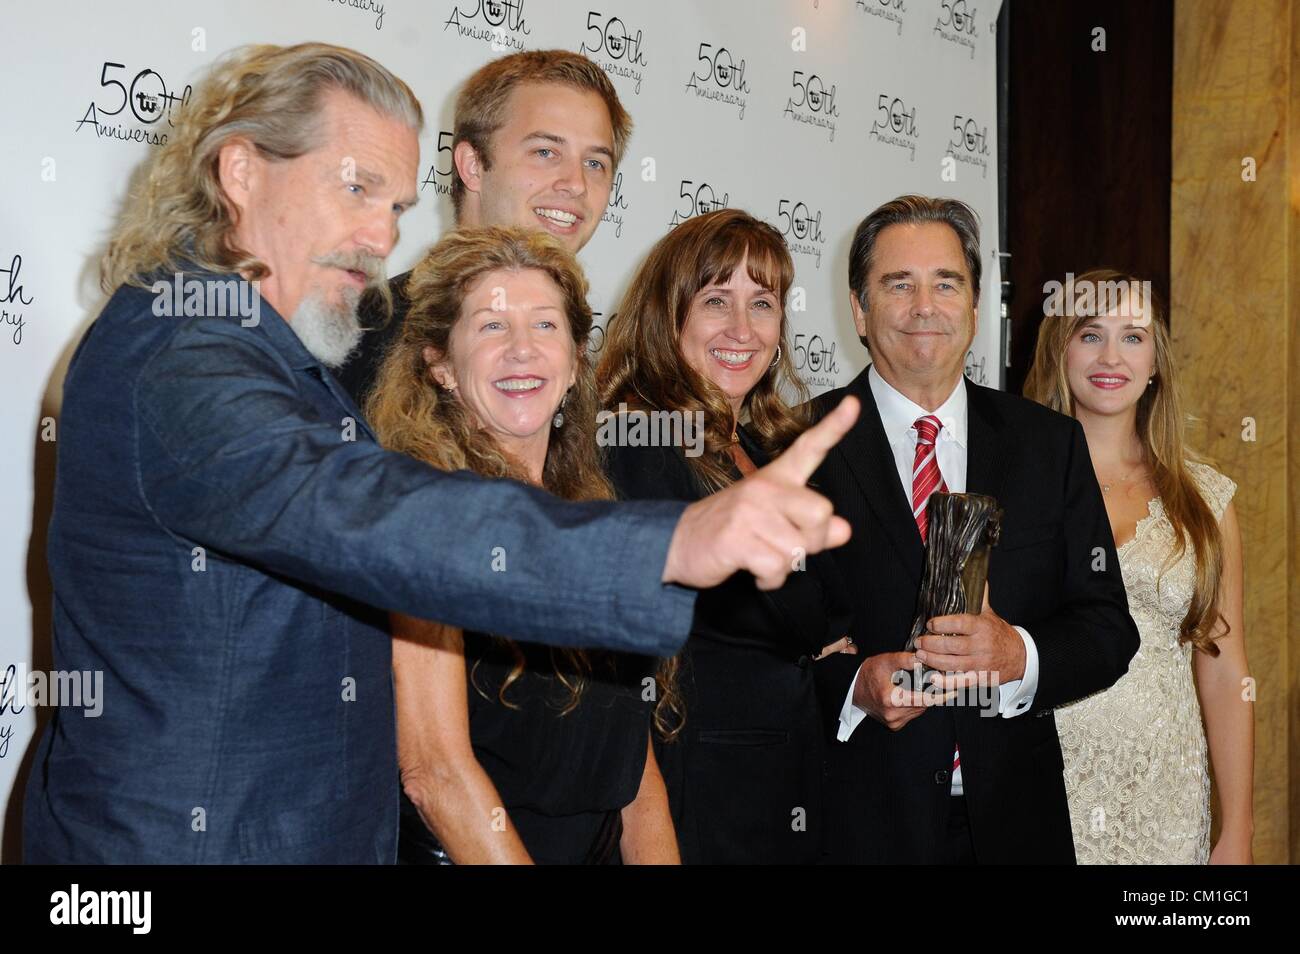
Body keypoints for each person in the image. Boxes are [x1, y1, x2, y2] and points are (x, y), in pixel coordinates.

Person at [21, 42, 860, 864]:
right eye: (356, 188)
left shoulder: (270, 352)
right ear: (241, 172)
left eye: (391, 205)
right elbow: (363, 511)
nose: (381, 237)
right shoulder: (183, 353)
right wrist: (675, 542)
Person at [809, 195, 1141, 864]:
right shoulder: (796, 445)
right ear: (859, 308)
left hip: (1016, 827)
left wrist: (1017, 655)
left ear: (976, 303)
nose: (923, 306)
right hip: (857, 830)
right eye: (898, 284)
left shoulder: (1050, 446)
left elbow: (1108, 630)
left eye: (946, 283)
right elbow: (754, 656)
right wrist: (852, 687)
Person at [369, 226, 677, 864]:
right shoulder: (422, 522)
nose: (521, 351)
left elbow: (635, 773)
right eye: (489, 327)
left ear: (572, 361)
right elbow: (435, 774)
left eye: (544, 326)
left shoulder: (600, 523)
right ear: (441, 365)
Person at [598, 209, 855, 864]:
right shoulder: (639, 435)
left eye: (761, 304)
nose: (742, 330)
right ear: (668, 315)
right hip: (694, 793)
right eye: (716, 301)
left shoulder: (767, 444)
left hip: (783, 781)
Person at [1024, 269, 1253, 864]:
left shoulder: (1206, 500)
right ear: (1059, 348)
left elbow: (1227, 675)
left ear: (1156, 362)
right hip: (1040, 784)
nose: (1110, 356)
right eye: (1090, 333)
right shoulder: (1012, 485)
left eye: (1133, 336)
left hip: (1167, 802)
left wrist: (1238, 832)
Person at [337, 49, 625, 405]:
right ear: (473, 166)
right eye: (545, 153)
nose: (577, 183)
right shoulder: (360, 336)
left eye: (595, 163)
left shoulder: (580, 366)